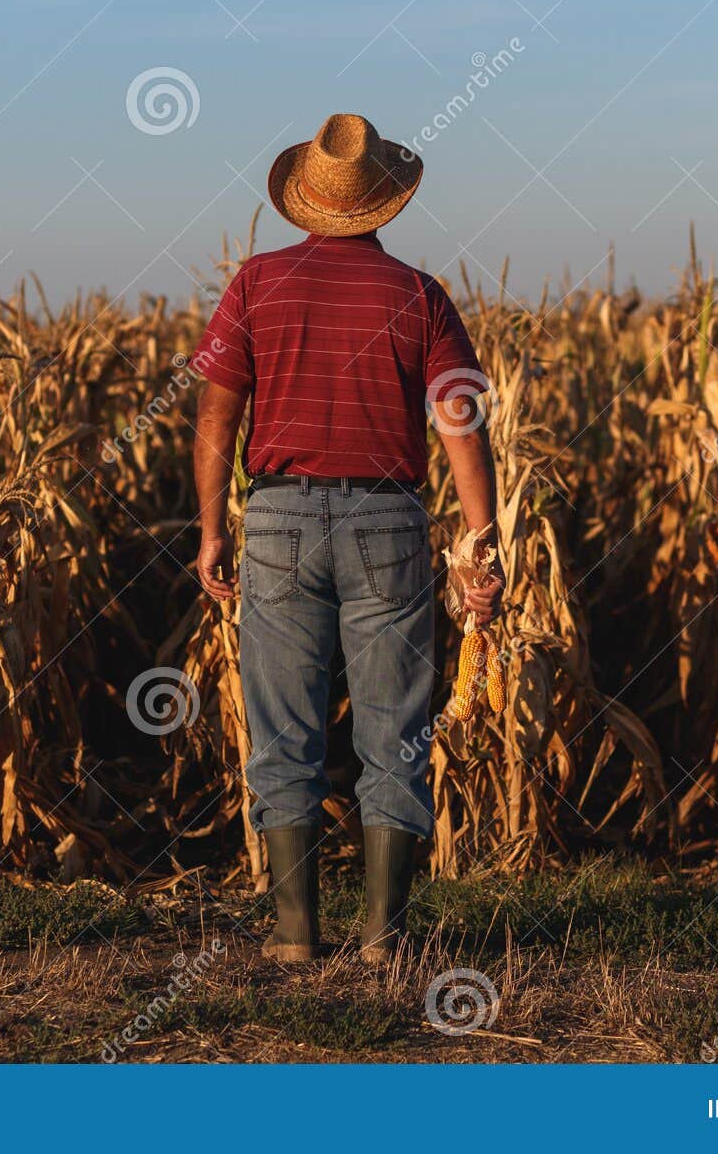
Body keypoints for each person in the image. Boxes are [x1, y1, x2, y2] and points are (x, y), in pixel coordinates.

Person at [190, 113, 502, 963]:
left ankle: (294, 936)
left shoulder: (257, 281)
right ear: (383, 206)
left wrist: (214, 527)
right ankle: (383, 938)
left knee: (284, 728)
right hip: (389, 522)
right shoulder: (419, 295)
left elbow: (218, 410)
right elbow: (460, 423)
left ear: (304, 205)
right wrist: (483, 543)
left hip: (280, 518)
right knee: (393, 731)